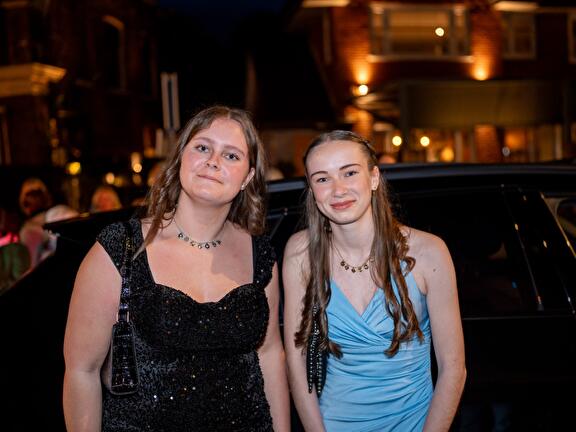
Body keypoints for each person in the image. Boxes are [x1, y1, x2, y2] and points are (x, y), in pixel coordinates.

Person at [63, 105, 290, 431]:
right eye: (203, 147)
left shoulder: (261, 253)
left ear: (248, 177)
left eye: (231, 155)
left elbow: (269, 354)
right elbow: (81, 371)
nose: (213, 161)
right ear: (181, 155)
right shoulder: (120, 248)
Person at [283, 130, 466, 431]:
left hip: (415, 424)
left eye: (349, 173)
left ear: (374, 178)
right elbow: (296, 359)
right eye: (322, 179)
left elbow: (453, 368)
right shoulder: (300, 254)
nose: (338, 190)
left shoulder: (429, 253)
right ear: (312, 189)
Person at [18, 177, 78, 268]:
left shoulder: (58, 213)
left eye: (35, 193)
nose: (29, 199)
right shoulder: (26, 226)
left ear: (44, 195)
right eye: (26, 195)